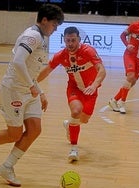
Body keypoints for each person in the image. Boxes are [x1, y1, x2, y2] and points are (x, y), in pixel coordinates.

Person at [0, 4, 64, 186]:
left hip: (29, 91)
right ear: (44, 20)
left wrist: (40, 92)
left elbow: (30, 70)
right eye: (54, 24)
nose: (55, 29)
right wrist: (32, 86)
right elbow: (18, 62)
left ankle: (7, 166)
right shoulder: (32, 35)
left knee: (35, 129)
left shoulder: (41, 37)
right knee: (14, 134)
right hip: (13, 90)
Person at [37, 26, 106, 163]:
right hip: (74, 88)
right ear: (64, 40)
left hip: (90, 90)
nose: (70, 43)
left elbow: (102, 70)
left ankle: (69, 125)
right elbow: (47, 71)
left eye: (73, 40)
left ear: (79, 39)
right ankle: (74, 148)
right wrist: (32, 83)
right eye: (68, 40)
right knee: (76, 111)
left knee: (84, 120)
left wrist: (94, 85)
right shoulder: (61, 55)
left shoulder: (88, 51)